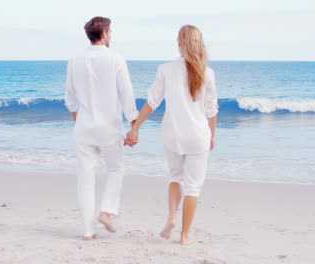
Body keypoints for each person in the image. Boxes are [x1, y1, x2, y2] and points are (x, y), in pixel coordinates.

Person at [125, 25, 218, 245]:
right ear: (199, 44)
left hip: (172, 135)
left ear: (180, 44)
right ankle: (184, 235)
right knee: (193, 187)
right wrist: (212, 135)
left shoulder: (165, 69)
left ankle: (171, 218)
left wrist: (135, 127)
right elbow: (211, 110)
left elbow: (152, 102)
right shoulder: (208, 72)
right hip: (198, 136)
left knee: (175, 177)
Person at [64, 16, 139, 240]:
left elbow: (70, 98)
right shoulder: (116, 59)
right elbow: (127, 96)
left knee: (85, 178)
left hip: (84, 128)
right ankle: (106, 211)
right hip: (109, 127)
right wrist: (133, 126)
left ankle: (88, 232)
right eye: (111, 32)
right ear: (104, 33)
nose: (111, 35)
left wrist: (79, 120)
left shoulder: (74, 59)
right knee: (116, 169)